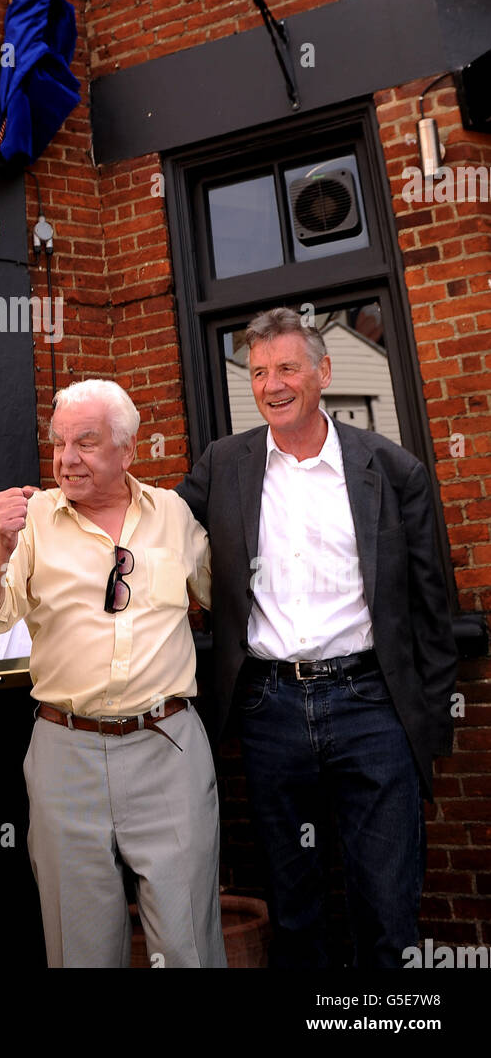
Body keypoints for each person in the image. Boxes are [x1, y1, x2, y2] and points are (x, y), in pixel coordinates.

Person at [176, 307, 458, 968]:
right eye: (259, 370)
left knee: (386, 907)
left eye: (287, 368)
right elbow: (152, 527)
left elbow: (430, 608)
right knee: (294, 908)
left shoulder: (392, 471)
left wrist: (428, 723)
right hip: (269, 711)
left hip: (372, 708)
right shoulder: (223, 465)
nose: (271, 384)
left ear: (322, 373)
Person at [0, 378, 225, 969]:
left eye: (85, 442)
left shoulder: (174, 515)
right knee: (80, 945)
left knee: (188, 941)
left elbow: (224, 594)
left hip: (168, 746)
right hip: (66, 749)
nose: (66, 459)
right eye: (58, 444)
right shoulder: (31, 520)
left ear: (127, 451)